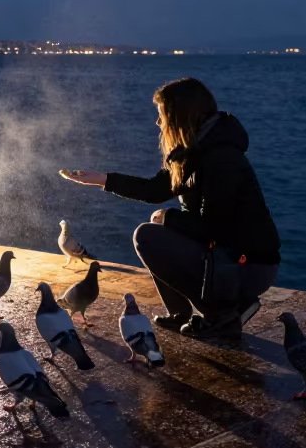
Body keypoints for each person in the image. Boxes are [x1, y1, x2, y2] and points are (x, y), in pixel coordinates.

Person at [60, 77, 280, 339]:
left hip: (247, 265)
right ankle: (181, 315)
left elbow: (214, 229)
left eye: (162, 115)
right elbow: (156, 190)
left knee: (148, 235)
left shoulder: (221, 158)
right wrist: (100, 179)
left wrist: (169, 217)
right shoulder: (193, 150)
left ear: (181, 115)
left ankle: (223, 315)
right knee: (155, 230)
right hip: (224, 257)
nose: (158, 122)